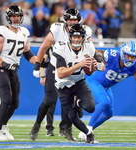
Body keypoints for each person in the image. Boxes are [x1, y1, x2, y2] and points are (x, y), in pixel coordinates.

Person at [30, 8, 93, 141]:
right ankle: (37, 125)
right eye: (69, 19)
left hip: (74, 68)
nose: (72, 22)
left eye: (75, 19)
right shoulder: (57, 29)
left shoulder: (84, 31)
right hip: (56, 66)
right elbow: (43, 48)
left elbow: (90, 48)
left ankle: (67, 130)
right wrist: (38, 66)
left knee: (69, 101)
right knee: (48, 99)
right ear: (65, 20)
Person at [78, 40, 136, 141]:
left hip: (106, 86)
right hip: (95, 80)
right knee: (104, 102)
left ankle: (85, 131)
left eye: (133, 57)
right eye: (128, 56)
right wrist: (92, 60)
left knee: (109, 113)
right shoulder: (112, 55)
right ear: (123, 53)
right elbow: (95, 52)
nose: (130, 59)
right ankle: (88, 131)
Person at [0, 5, 37, 141]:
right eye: (13, 16)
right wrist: (4, 64)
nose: (16, 19)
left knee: (15, 103)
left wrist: (39, 62)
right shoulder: (1, 31)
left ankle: (3, 126)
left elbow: (28, 54)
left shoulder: (24, 32)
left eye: (18, 16)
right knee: (6, 98)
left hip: (13, 69)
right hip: (0, 68)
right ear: (8, 17)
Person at [53, 23, 104, 144]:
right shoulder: (61, 48)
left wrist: (97, 66)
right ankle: (88, 134)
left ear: (83, 37)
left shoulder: (89, 47)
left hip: (78, 82)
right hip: (62, 84)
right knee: (73, 116)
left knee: (91, 108)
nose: (76, 39)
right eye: (74, 37)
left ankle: (78, 102)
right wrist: (79, 65)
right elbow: (60, 73)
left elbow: (102, 66)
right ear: (70, 37)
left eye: (79, 37)